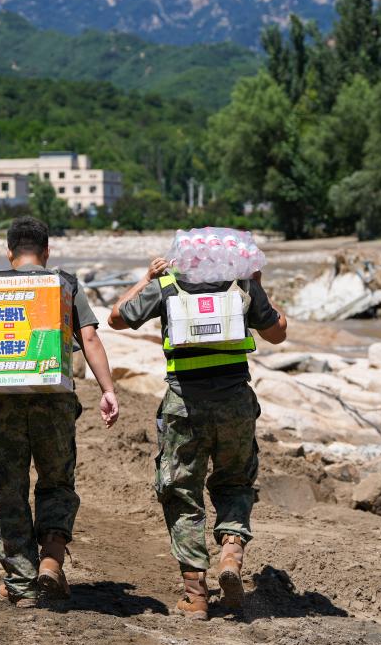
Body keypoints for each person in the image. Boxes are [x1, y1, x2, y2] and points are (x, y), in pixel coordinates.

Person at [108, 256, 287, 620]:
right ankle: (231, 553)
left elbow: (116, 318)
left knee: (182, 492)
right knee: (235, 481)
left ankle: (196, 595)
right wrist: (256, 283)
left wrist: (146, 278)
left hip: (184, 406)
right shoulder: (242, 287)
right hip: (235, 404)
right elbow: (278, 333)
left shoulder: (167, 286)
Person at [0, 216, 120, 609]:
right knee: (56, 481)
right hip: (53, 401)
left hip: (0, 403)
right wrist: (108, 390)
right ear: (47, 251)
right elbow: (89, 337)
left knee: (7, 488)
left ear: (9, 252)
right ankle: (51, 559)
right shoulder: (64, 284)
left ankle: (21, 583)